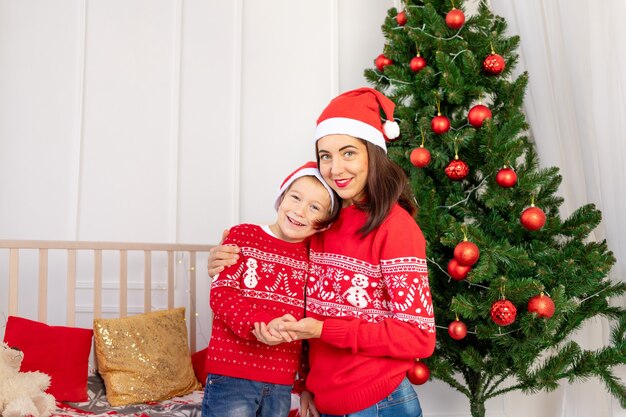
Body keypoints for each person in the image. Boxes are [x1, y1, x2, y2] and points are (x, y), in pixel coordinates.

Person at [208, 88, 436, 417]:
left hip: (377, 403)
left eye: (348, 153)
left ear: (373, 153)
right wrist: (225, 260)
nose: (335, 168)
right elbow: (282, 279)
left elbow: (418, 338)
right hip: (325, 401)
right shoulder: (322, 222)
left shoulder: (395, 227)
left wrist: (323, 329)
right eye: (325, 156)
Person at [201, 161, 340, 417]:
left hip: (280, 381)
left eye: (314, 208)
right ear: (282, 197)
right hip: (232, 374)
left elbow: (310, 325)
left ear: (324, 223)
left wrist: (304, 384)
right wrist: (259, 324)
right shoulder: (243, 235)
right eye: (295, 198)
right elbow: (222, 294)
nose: (300, 211)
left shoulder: (314, 257)